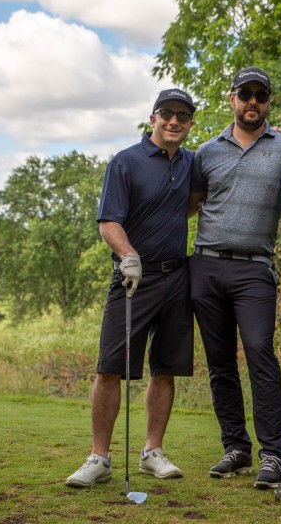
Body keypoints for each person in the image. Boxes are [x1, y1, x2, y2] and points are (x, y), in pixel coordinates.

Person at [188, 66, 281, 490]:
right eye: (246, 94)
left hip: (254, 267)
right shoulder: (206, 151)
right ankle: (235, 448)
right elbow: (188, 205)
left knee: (260, 352)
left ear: (268, 101)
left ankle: (273, 455)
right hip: (205, 264)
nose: (252, 102)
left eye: (260, 95)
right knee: (220, 363)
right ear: (232, 99)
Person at [67, 88, 197, 487]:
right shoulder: (126, 162)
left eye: (183, 115)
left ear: (190, 123)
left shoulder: (193, 162)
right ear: (153, 117)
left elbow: (194, 201)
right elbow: (109, 221)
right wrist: (128, 255)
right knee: (110, 367)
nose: (174, 121)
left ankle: (152, 452)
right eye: (167, 114)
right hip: (133, 277)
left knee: (166, 368)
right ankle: (99, 459)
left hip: (177, 276)